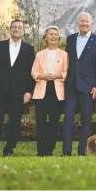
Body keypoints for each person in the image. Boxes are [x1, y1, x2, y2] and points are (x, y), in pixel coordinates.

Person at [0, 19, 35, 157]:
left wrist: (29, 91)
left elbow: (32, 73)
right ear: (10, 29)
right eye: (14, 27)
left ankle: (9, 150)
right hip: (0, 91)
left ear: (23, 31)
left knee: (14, 124)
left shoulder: (29, 49)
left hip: (18, 93)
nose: (17, 29)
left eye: (19, 27)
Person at [62, 12, 96, 156]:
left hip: (89, 87)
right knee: (68, 117)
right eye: (82, 21)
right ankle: (66, 151)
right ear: (78, 23)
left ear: (91, 24)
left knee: (86, 120)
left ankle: (82, 151)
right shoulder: (71, 39)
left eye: (87, 21)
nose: (84, 24)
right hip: (71, 86)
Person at [31, 26, 68, 156]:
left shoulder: (64, 54)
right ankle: (41, 151)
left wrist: (58, 76)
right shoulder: (40, 54)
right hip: (41, 91)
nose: (53, 36)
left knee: (53, 123)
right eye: (50, 34)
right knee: (40, 123)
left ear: (58, 38)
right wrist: (43, 76)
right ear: (45, 38)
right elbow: (33, 72)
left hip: (57, 92)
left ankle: (49, 150)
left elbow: (67, 72)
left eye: (56, 34)